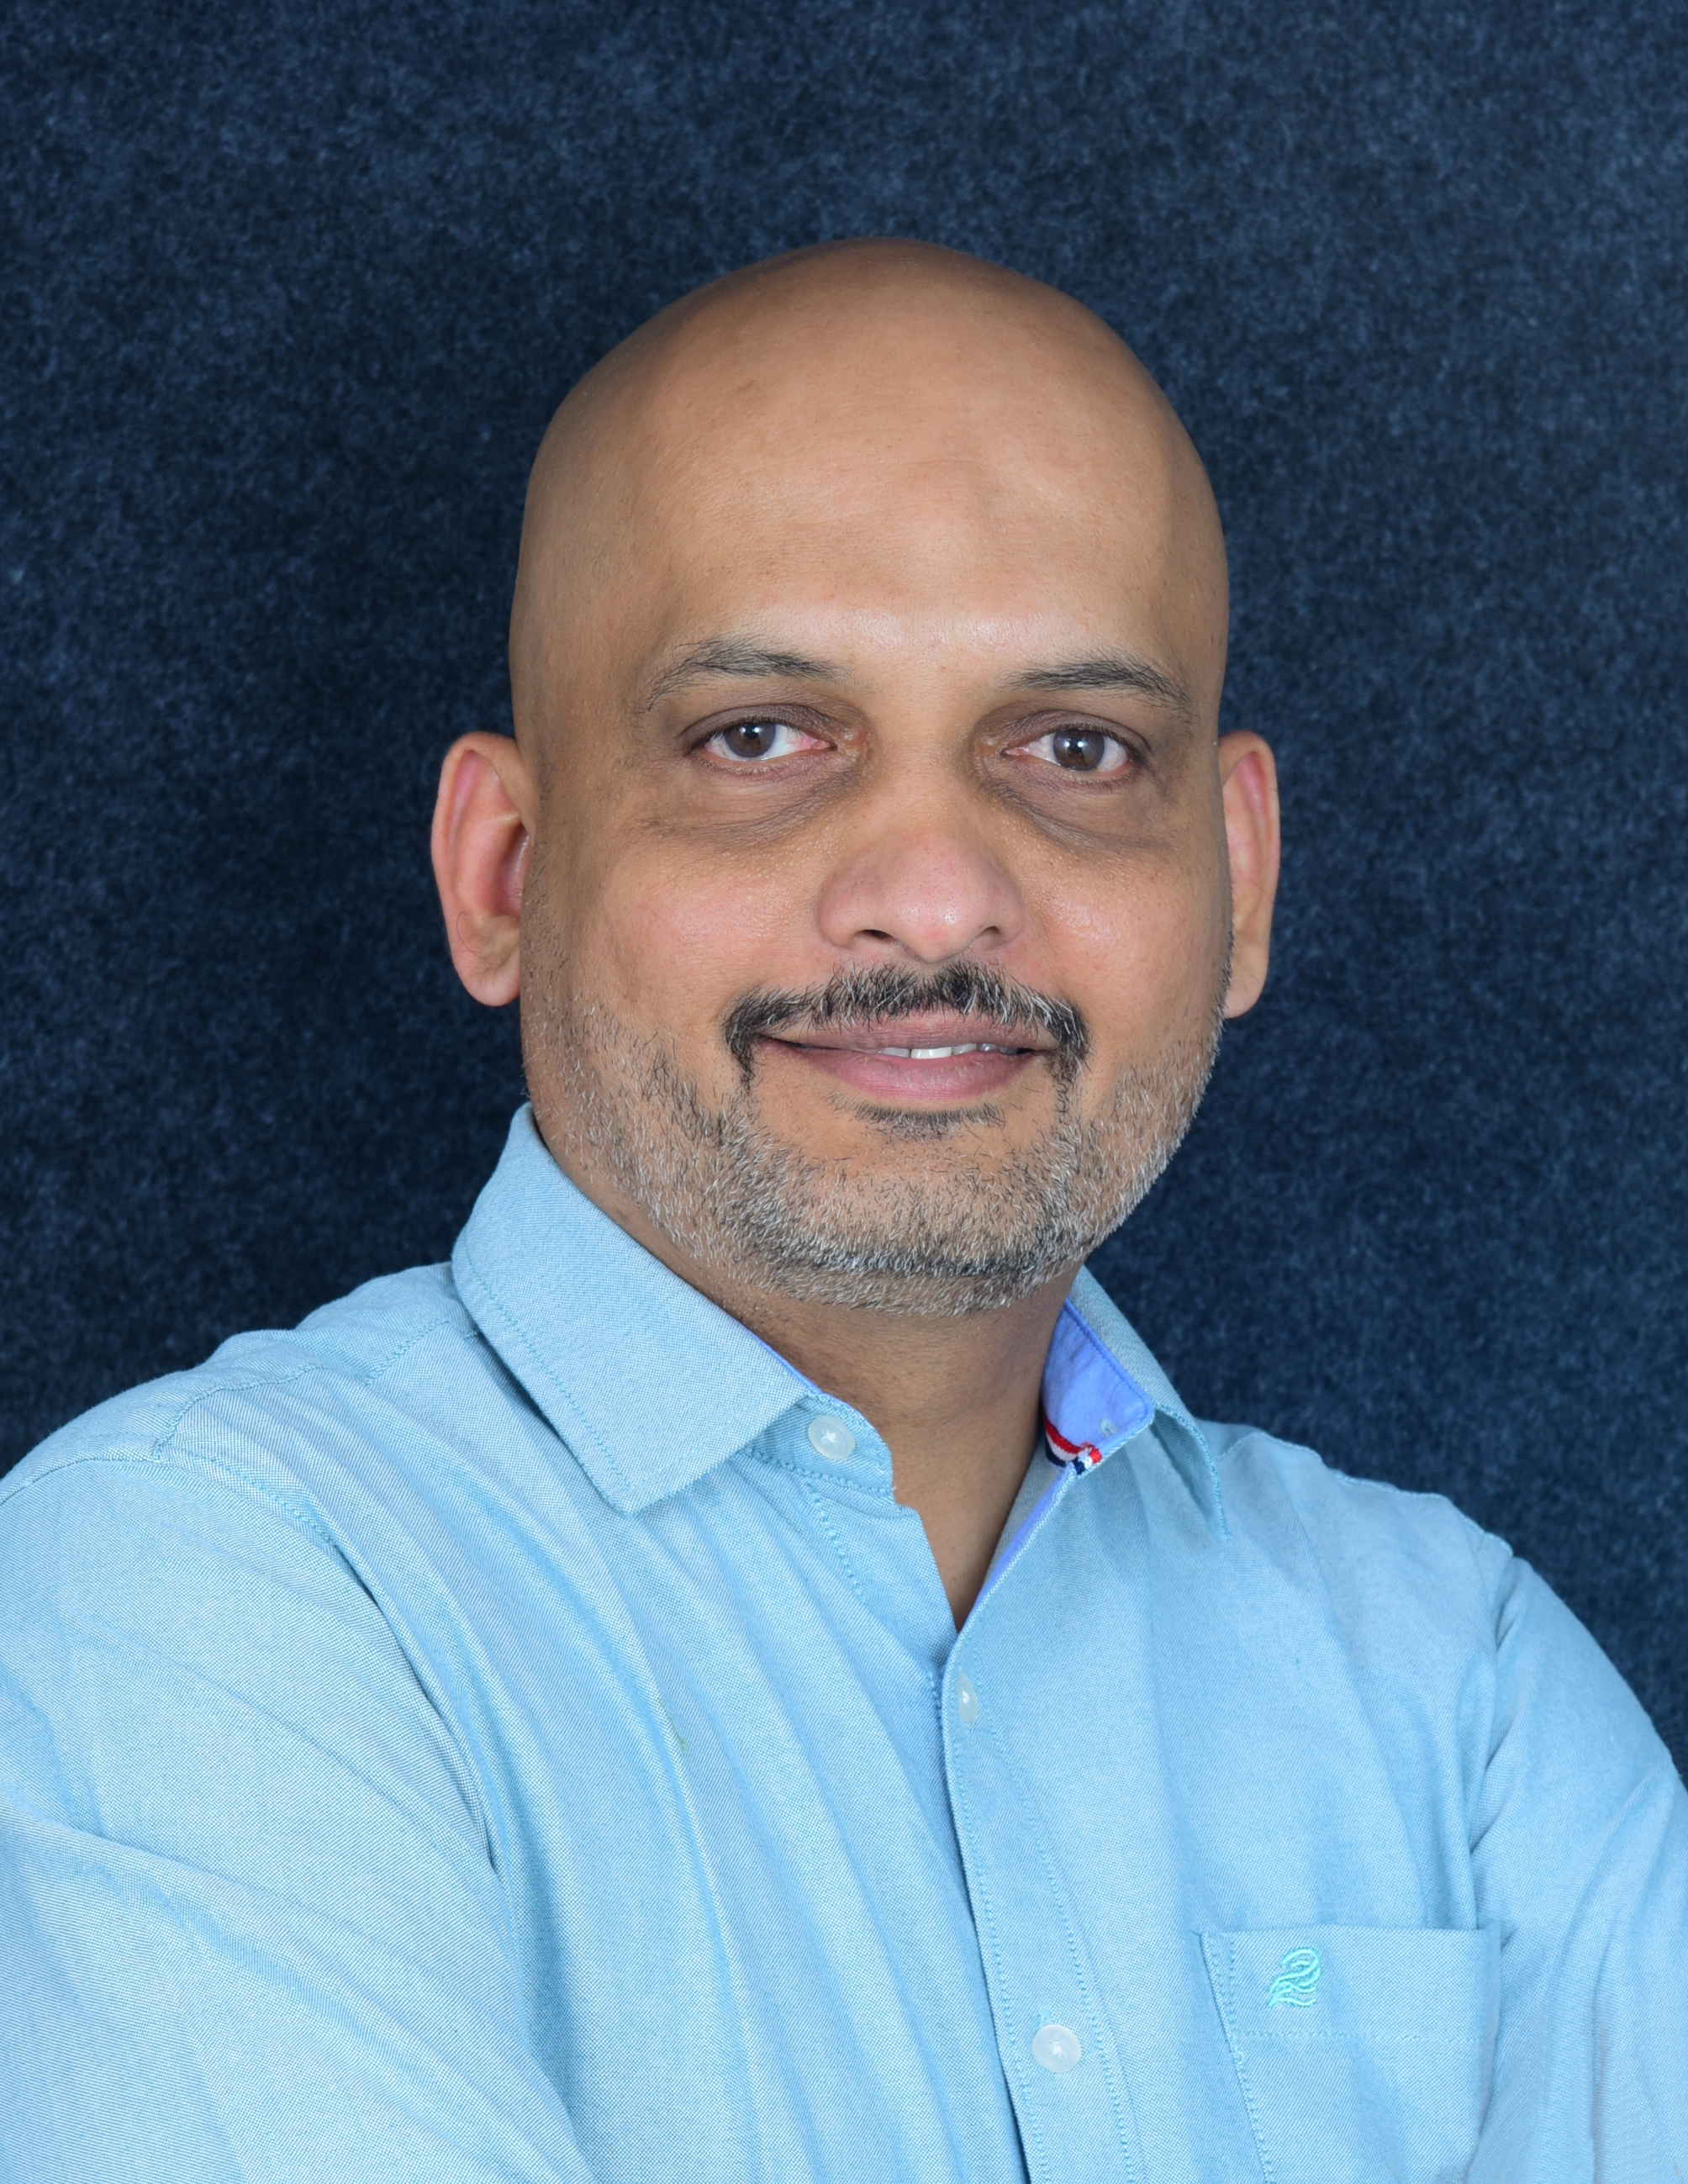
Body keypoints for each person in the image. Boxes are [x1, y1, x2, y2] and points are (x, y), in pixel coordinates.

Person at [1, 239, 1681, 2181]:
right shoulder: (192, 1599)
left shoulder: (1456, 1685)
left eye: (1073, 750)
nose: (936, 894)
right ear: (504, 872)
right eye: (760, 739)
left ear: (1234, 877)